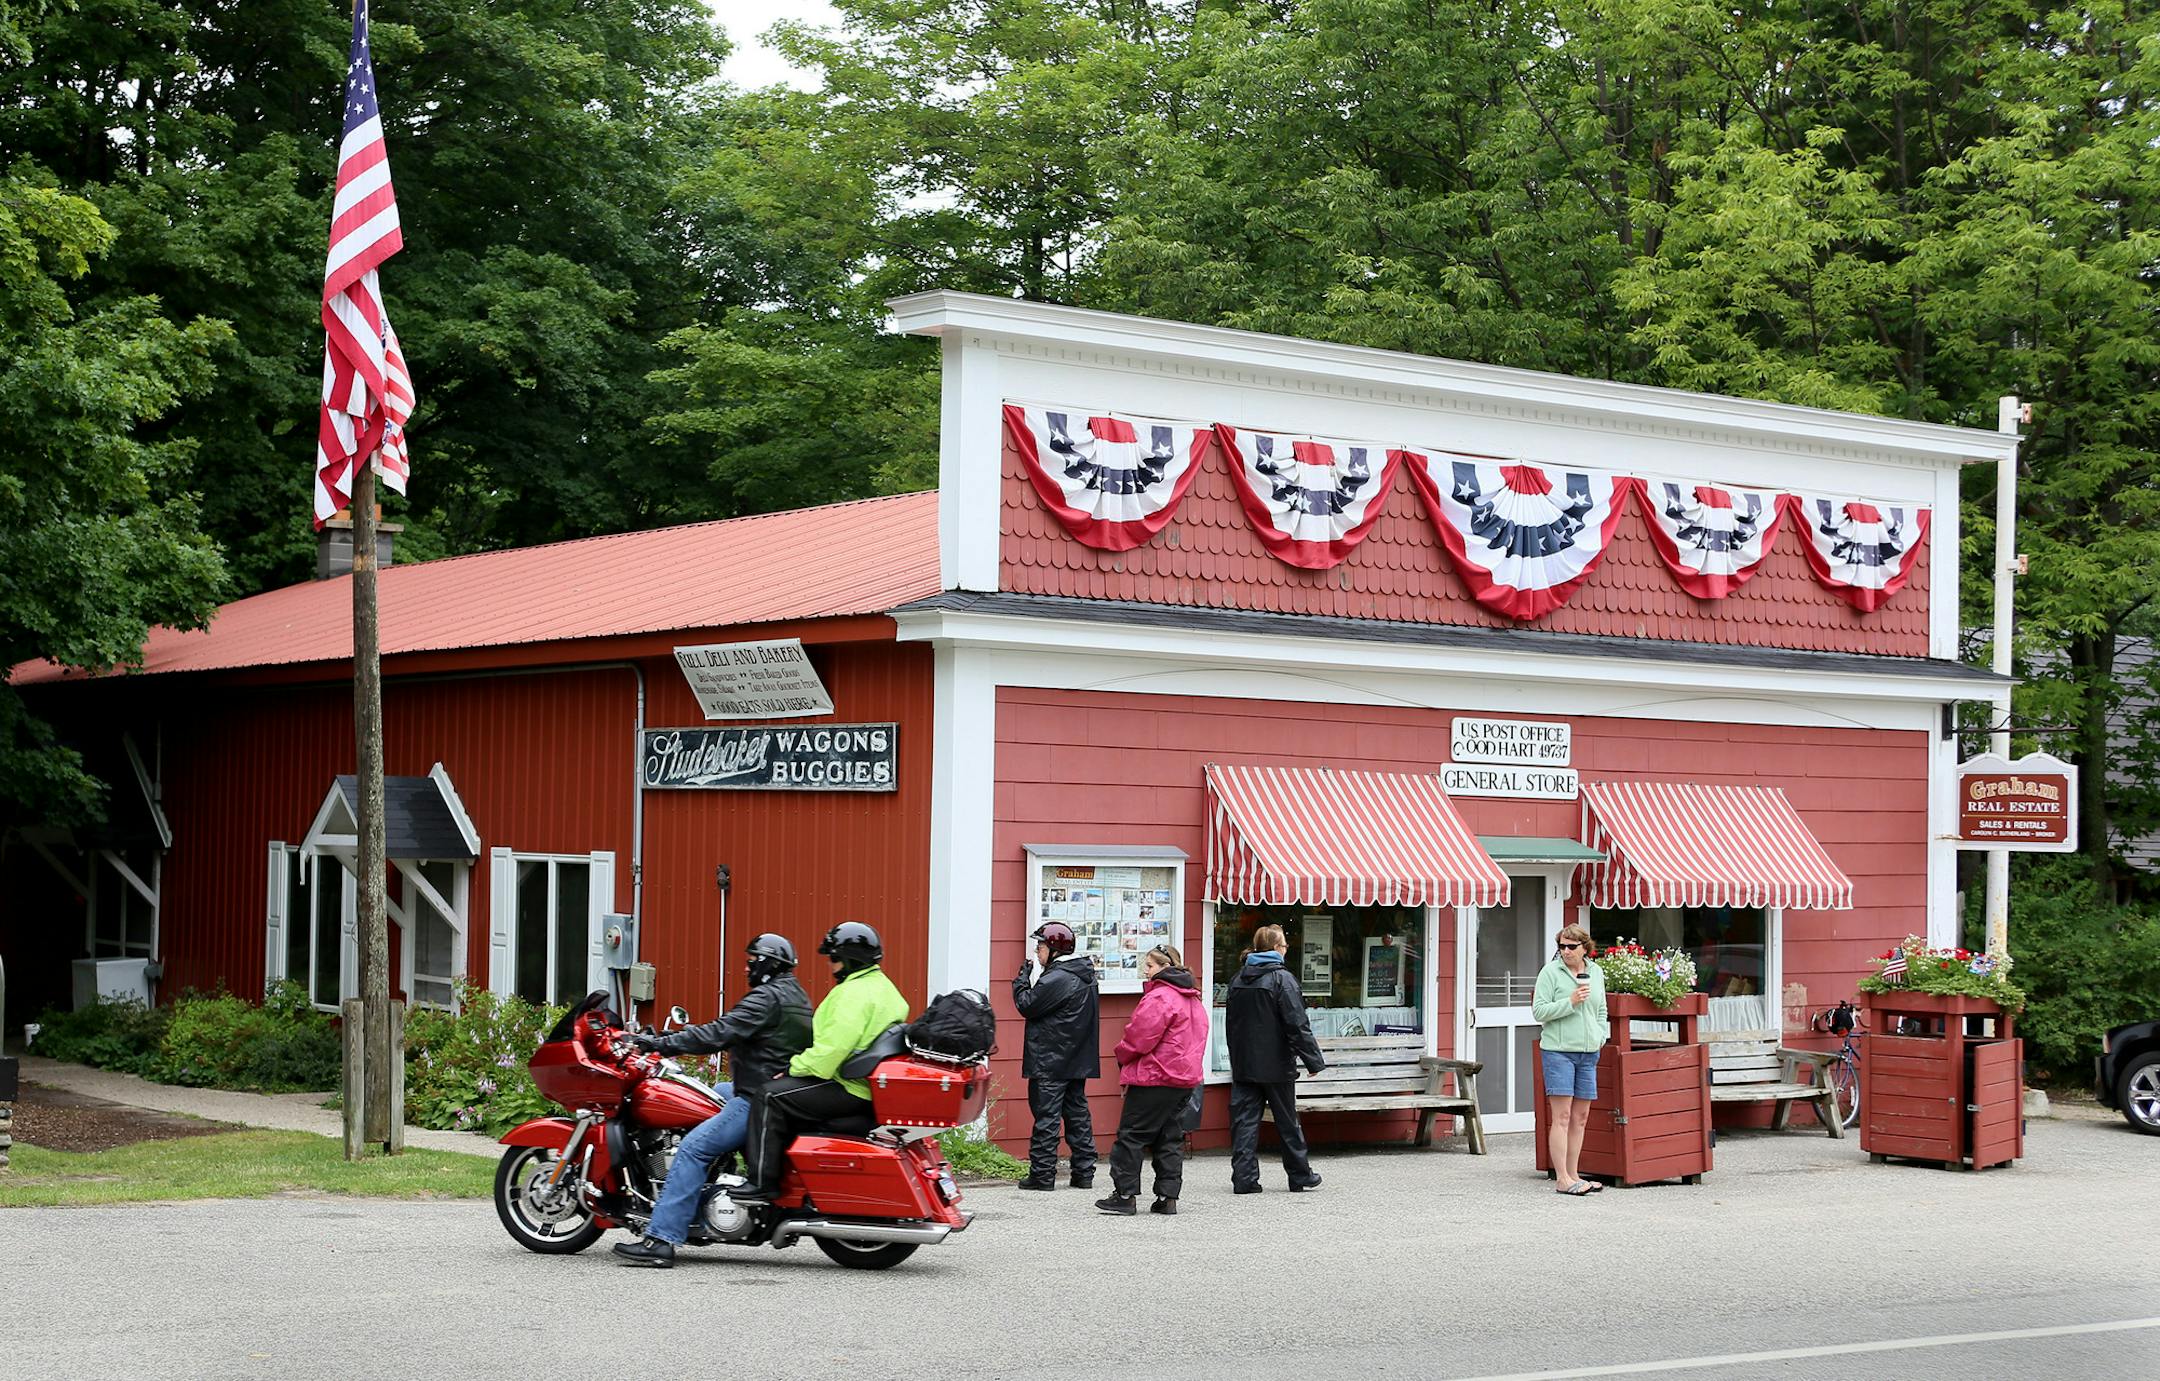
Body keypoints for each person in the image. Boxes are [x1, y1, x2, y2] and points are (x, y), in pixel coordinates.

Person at [613, 933, 813, 1267]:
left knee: (693, 1148)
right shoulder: (794, 994)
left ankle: (661, 1239)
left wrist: (660, 1045)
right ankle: (713, 1178)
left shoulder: (765, 999)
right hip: (760, 1089)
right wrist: (664, 1037)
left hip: (754, 1098)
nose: (748, 967)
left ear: (766, 963)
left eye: (752, 961)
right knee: (708, 1092)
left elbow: (718, 1033)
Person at [732, 920, 910, 1203]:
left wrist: (792, 1067)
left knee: (768, 1096)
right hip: (866, 1086)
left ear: (851, 959)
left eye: (835, 959)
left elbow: (831, 1052)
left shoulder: (853, 994)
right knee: (786, 1095)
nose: (832, 965)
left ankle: (761, 1183)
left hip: (847, 1087)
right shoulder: (883, 987)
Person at [1097, 943, 1207, 1216]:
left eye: (1150, 966)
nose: (1145, 972)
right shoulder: (1193, 999)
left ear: (1165, 968)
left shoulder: (1161, 997)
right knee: (1169, 1138)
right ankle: (1167, 1198)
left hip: (1156, 1076)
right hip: (1184, 1078)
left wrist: (1121, 1054)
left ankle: (1124, 1195)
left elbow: (1139, 1038)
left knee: (1132, 1135)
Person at [1225, 923, 1326, 1194]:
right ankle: (1300, 1175)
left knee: (1244, 1121)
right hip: (1277, 1064)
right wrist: (1313, 1061)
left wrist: (1236, 1058)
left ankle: (1244, 1179)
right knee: (1286, 1121)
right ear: (1277, 948)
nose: (1286, 949)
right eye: (1284, 945)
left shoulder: (1238, 979)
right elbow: (1297, 1023)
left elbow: (1231, 1025)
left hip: (1245, 1064)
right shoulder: (1282, 979)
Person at [1013, 920, 1102, 1190]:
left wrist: (1020, 981)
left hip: (1051, 1059)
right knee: (1077, 1116)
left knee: (1047, 1118)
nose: (1037, 951)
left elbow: (1027, 1005)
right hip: (1075, 1059)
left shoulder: (1058, 977)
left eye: (1040, 945)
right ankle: (1084, 1173)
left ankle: (1042, 1175)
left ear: (1054, 949)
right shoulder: (1082, 974)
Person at [1532, 922, 1609, 1196]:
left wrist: (1601, 1035)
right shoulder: (1550, 973)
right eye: (1561, 946)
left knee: (1581, 1117)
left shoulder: (1596, 972)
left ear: (1585, 948)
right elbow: (1539, 1011)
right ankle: (1562, 1178)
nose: (1565, 951)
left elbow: (1601, 1010)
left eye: (1571, 947)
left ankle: (1575, 1174)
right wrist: (1571, 1002)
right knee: (1562, 1116)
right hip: (1559, 1051)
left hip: (1588, 1052)